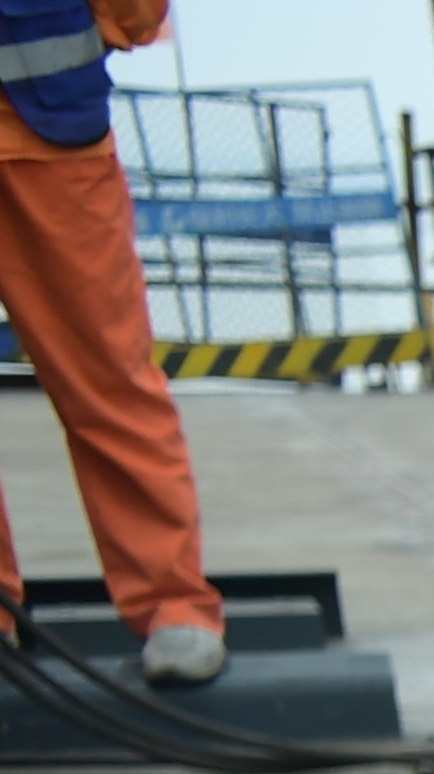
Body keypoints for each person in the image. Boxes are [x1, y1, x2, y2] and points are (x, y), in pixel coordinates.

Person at [0, 0, 230, 686]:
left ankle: (173, 603)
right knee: (111, 383)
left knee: (107, 379)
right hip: (51, 124)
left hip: (48, 138)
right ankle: (170, 604)